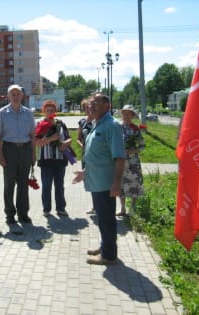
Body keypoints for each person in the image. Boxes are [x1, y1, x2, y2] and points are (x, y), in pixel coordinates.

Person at [73, 93, 125, 265]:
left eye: (95, 103)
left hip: (106, 183)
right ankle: (105, 246)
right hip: (96, 181)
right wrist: (84, 172)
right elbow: (97, 155)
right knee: (102, 218)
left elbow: (119, 157)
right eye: (90, 103)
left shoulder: (112, 126)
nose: (91, 106)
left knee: (107, 219)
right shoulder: (96, 124)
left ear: (107, 106)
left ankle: (109, 255)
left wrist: (116, 183)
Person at [0, 84, 35, 225]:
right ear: (8, 96)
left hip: (25, 150)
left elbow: (32, 135)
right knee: (9, 184)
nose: (16, 97)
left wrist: (33, 154)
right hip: (9, 151)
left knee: (23, 184)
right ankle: (10, 214)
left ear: (22, 96)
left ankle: (23, 214)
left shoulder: (28, 113)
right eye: (13, 94)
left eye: (18, 94)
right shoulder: (1, 113)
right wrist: (0, 156)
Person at [35, 100, 71, 217]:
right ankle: (46, 209)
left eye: (52, 110)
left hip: (60, 160)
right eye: (47, 110)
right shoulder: (40, 124)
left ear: (55, 111)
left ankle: (61, 208)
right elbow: (37, 143)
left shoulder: (61, 123)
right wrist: (51, 138)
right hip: (46, 160)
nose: (50, 112)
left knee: (59, 185)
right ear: (44, 111)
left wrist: (65, 143)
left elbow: (69, 138)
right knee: (46, 186)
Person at [118, 105, 145, 216]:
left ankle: (133, 208)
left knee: (134, 183)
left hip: (133, 161)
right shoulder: (117, 127)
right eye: (124, 113)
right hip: (120, 160)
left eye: (128, 114)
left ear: (132, 115)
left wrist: (134, 150)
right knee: (120, 183)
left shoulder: (135, 129)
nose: (126, 116)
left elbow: (142, 145)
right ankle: (122, 208)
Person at [77, 98, 96, 215]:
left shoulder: (97, 121)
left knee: (97, 178)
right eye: (86, 108)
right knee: (89, 180)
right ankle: (95, 205)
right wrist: (82, 146)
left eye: (89, 107)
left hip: (96, 155)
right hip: (85, 155)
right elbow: (78, 139)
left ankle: (99, 205)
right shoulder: (82, 122)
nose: (88, 110)